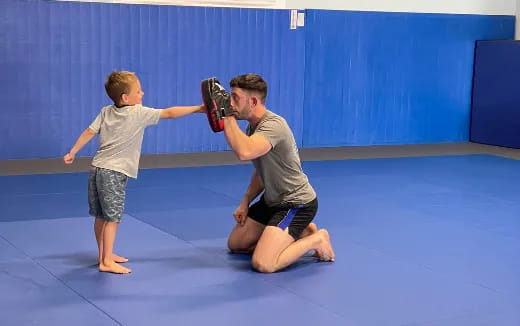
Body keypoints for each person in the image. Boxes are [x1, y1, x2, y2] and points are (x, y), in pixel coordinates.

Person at [64, 71, 203, 274]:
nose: (142, 93)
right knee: (113, 218)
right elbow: (170, 113)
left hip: (97, 169)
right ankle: (105, 262)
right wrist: (199, 108)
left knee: (101, 216)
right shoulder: (138, 113)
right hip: (114, 173)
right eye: (138, 91)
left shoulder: (106, 111)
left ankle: (105, 254)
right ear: (125, 98)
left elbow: (89, 131)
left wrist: (73, 151)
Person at [221, 73, 335, 273]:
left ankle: (317, 239)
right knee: (236, 244)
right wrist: (245, 201)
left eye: (235, 98)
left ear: (253, 101)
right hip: (272, 201)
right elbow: (262, 170)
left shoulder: (274, 126)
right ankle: (301, 233)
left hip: (296, 203)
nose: (231, 103)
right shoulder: (252, 127)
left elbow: (244, 152)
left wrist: (226, 116)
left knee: (264, 263)